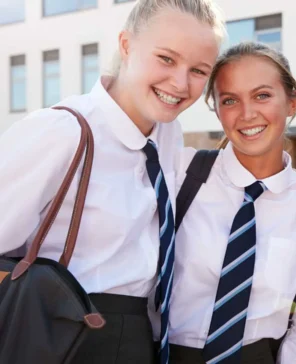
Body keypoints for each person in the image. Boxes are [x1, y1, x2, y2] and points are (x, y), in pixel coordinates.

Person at [0, 1, 225, 363]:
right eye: (166, 58)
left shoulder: (168, 135)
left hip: (140, 336)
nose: (180, 83)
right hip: (61, 332)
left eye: (199, 70)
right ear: (126, 45)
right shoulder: (62, 131)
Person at [167, 42, 296, 364]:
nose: (247, 114)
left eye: (262, 95)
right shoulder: (182, 174)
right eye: (229, 100)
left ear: (292, 103)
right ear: (216, 110)